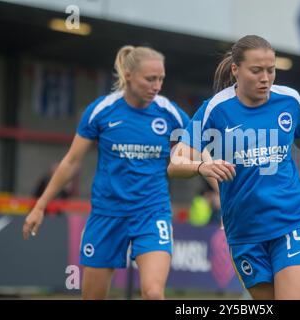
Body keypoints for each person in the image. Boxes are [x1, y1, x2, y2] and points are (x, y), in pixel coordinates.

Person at [167, 35, 300, 299]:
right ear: (236, 70)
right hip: (245, 230)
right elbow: (175, 163)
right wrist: (202, 165)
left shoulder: (289, 100)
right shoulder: (215, 109)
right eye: (256, 70)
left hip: (293, 220)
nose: (266, 78)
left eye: (271, 70)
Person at [22, 45, 190, 300]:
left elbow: (201, 147)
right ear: (129, 74)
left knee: (154, 293)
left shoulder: (170, 113)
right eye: (150, 79)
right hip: (107, 214)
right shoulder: (101, 111)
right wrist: (40, 206)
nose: (157, 86)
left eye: (161, 79)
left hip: (152, 213)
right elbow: (71, 162)